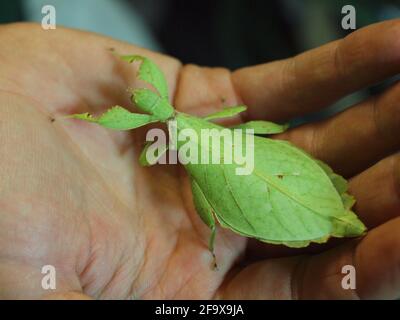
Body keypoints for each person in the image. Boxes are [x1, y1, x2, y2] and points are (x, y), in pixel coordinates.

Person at [0, 20, 399, 300]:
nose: (143, 97)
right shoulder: (185, 119)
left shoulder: (162, 133)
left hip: (241, 166)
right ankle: (326, 214)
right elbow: (234, 112)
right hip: (244, 151)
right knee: (242, 149)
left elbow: (148, 151)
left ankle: (325, 215)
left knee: (215, 203)